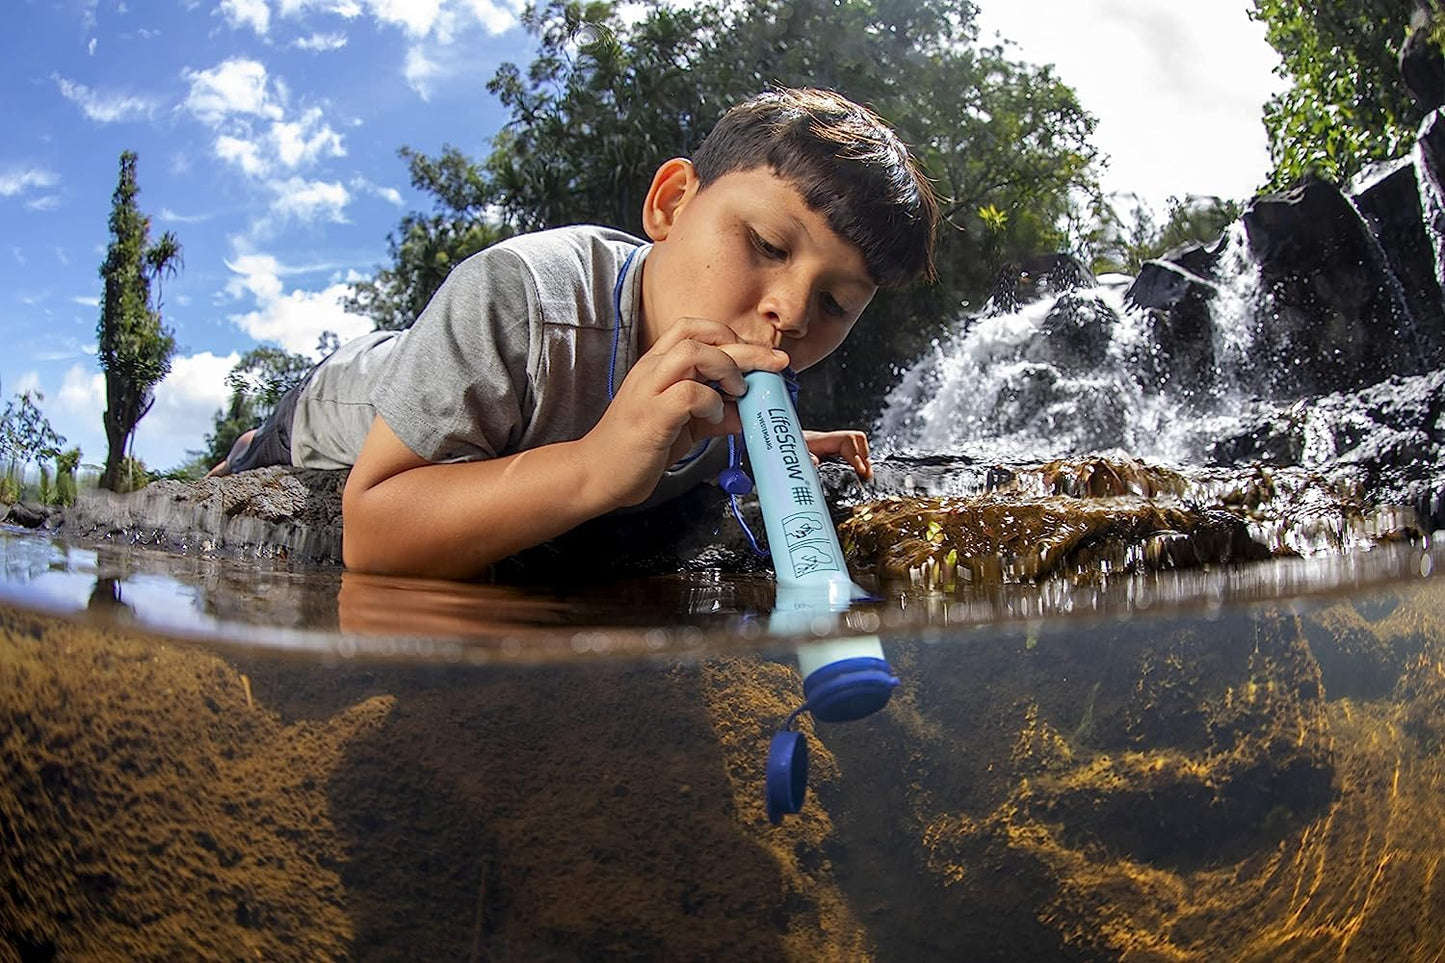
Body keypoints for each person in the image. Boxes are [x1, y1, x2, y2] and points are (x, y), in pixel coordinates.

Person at [209, 87, 939, 580]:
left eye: (837, 302)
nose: (791, 310)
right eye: (767, 246)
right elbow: (371, 534)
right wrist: (593, 467)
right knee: (254, 467)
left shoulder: (745, 359)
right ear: (672, 204)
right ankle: (243, 448)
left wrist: (771, 443)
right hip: (343, 404)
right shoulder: (521, 296)